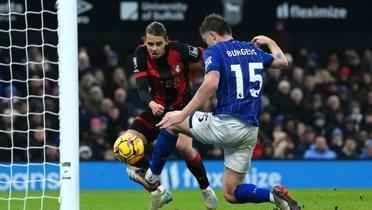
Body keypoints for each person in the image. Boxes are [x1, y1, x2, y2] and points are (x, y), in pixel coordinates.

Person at [140, 14, 301, 210]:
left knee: (171, 120)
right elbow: (282, 62)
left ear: (213, 35)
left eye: (206, 40)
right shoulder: (251, 49)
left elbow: (211, 84)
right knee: (231, 192)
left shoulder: (214, 51)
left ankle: (151, 177)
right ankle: (274, 196)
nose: (206, 45)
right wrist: (270, 42)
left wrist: (183, 113)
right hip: (250, 130)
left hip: (226, 124)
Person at [113, 21, 218, 210]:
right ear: (145, 41)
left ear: (166, 42)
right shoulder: (140, 54)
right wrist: (151, 103)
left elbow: (209, 54)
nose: (154, 48)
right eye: (150, 43)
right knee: (124, 147)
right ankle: (158, 191)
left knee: (184, 148)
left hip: (182, 110)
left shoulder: (179, 50)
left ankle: (206, 188)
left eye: (158, 44)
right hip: (157, 109)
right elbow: (141, 88)